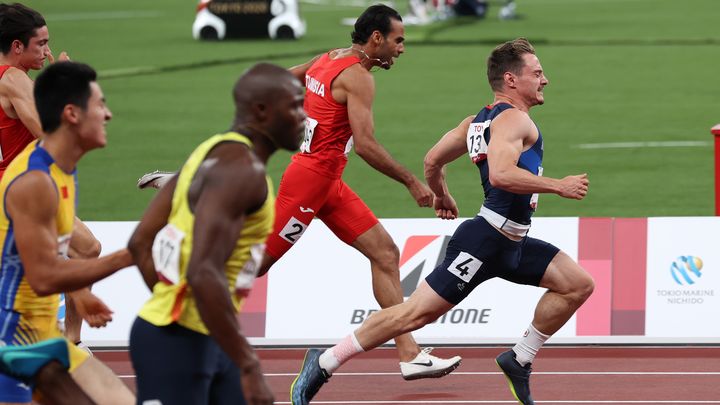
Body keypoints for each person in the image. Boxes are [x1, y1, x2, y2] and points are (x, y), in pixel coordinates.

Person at [137, 4, 462, 382]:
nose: (402, 48)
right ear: (377, 39)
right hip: (310, 183)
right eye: (398, 40)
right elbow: (368, 145)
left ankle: (410, 354)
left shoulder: (328, 58)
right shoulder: (358, 77)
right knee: (254, 265)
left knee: (385, 252)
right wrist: (411, 182)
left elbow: (279, 81)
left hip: (329, 185)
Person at [290, 37, 595, 405]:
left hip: (511, 241)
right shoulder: (515, 120)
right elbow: (500, 174)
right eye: (537, 73)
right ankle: (322, 363)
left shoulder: (475, 123)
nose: (545, 80)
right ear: (511, 80)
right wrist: (557, 186)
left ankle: (519, 358)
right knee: (412, 315)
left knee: (577, 284)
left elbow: (433, 160)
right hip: (485, 242)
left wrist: (442, 194)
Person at [126, 62, 306, 405]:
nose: (304, 116)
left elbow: (139, 242)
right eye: (295, 105)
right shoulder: (242, 171)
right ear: (262, 110)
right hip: (181, 341)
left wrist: (173, 305)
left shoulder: (208, 150)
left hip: (204, 334)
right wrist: (250, 363)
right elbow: (202, 271)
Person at [0, 61, 134, 403]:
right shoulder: (35, 182)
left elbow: (57, 255)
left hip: (44, 335)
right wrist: (127, 256)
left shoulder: (61, 172)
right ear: (72, 114)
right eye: (100, 105)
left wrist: (79, 294)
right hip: (15, 342)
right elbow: (45, 277)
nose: (109, 115)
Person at [0, 2, 100, 352]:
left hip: (20, 192)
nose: (46, 50)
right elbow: (50, 134)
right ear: (16, 47)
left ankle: (67, 341)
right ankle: (69, 343)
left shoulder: (11, 79)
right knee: (86, 251)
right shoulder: (12, 79)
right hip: (18, 196)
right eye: (40, 43)